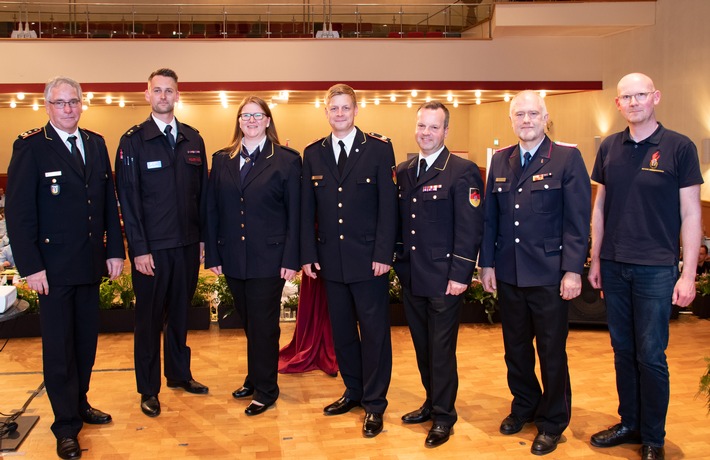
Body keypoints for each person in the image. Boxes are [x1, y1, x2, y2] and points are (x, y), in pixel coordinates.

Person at [5, 76, 124, 460]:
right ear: (48, 106)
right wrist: (31, 267)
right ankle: (65, 426)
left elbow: (108, 203)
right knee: (59, 350)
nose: (68, 108)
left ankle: (80, 403)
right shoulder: (30, 147)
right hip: (52, 271)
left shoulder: (95, 143)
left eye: (73, 101)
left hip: (90, 264)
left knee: (86, 345)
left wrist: (115, 250)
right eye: (60, 103)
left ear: (82, 103)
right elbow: (19, 215)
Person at [588, 73, 702, 460]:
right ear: (618, 105)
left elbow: (690, 214)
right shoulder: (608, 148)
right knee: (622, 351)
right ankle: (629, 423)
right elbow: (600, 208)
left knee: (651, 355)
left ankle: (653, 436)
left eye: (640, 95)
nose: (633, 102)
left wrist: (688, 274)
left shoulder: (679, 147)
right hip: (615, 266)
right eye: (626, 97)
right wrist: (597, 258)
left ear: (655, 97)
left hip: (656, 269)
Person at [480, 90, 591, 456]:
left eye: (532, 114)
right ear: (511, 120)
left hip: (549, 276)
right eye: (519, 115)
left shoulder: (566, 158)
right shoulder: (500, 160)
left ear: (545, 118)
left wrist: (572, 271)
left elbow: (577, 222)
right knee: (515, 351)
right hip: (509, 273)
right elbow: (491, 220)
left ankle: (553, 421)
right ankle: (524, 405)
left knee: (552, 352)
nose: (526, 121)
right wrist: (488, 264)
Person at [301, 83, 397, 438]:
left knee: (374, 335)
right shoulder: (313, 153)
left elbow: (389, 207)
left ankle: (375, 403)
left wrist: (384, 255)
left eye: (345, 108)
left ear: (356, 110)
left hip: (370, 262)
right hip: (331, 262)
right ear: (325, 112)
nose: (339, 114)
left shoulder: (378, 149)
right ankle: (354, 391)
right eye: (333, 108)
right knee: (342, 333)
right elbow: (306, 210)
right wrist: (308, 255)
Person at [115, 68, 209, 418]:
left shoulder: (192, 138)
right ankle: (148, 388)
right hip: (151, 251)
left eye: (170, 91)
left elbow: (203, 197)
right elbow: (128, 198)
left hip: (187, 246)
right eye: (158, 90)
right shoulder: (133, 141)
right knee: (150, 320)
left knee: (181, 315)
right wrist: (138, 249)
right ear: (147, 94)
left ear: (178, 95)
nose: (164, 96)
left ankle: (179, 374)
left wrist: (202, 240)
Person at [394, 101, 484, 447]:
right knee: (422, 347)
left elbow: (469, 227)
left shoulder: (462, 171)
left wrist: (461, 273)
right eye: (421, 126)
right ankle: (431, 403)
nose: (426, 133)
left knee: (442, 349)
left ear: (446, 131)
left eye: (433, 127)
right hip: (413, 275)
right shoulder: (404, 170)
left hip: (446, 277)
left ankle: (445, 416)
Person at [204, 96, 301, 416]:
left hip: (269, 259)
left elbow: (295, 215)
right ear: (238, 121)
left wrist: (291, 259)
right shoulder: (221, 159)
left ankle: (266, 389)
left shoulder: (287, 160)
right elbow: (212, 211)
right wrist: (213, 254)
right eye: (245, 115)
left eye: (258, 115)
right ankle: (254, 375)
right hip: (233, 257)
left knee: (264, 325)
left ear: (268, 120)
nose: (251, 120)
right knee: (249, 322)